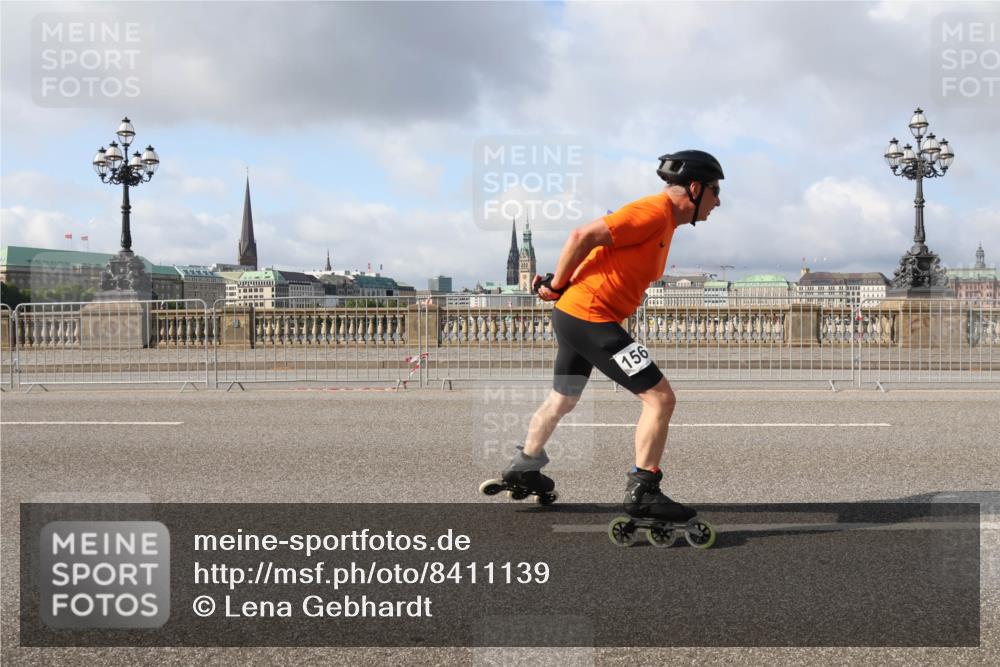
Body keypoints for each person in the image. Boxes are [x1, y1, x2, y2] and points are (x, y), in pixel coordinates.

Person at [500, 150, 724, 522]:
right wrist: (557, 284)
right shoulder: (654, 212)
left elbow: (600, 253)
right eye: (715, 191)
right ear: (695, 188)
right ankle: (643, 490)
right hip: (592, 318)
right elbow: (582, 235)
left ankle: (524, 465)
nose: (718, 201)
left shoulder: (666, 221)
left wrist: (562, 288)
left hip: (577, 315)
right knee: (660, 399)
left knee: (562, 399)